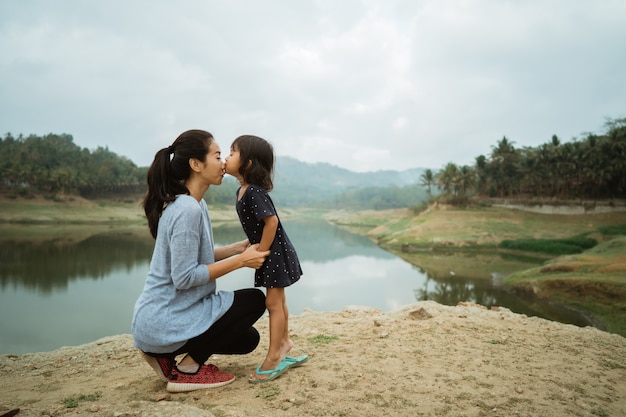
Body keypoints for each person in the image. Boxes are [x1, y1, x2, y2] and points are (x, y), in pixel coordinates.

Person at [132, 129, 270, 393]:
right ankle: (187, 369)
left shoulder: (194, 204)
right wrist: (242, 261)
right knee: (254, 300)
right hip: (164, 319)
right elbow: (184, 278)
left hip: (164, 320)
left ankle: (163, 357)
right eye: (217, 155)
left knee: (247, 339)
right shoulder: (186, 210)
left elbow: (197, 258)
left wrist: (235, 249)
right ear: (196, 164)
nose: (223, 163)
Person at [225, 134, 308, 383]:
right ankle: (284, 342)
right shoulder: (242, 191)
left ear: (248, 163)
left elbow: (271, 221)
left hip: (273, 252)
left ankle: (275, 355)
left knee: (273, 304)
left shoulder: (253, 192)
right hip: (272, 251)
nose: (226, 158)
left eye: (232, 152)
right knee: (279, 301)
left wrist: (261, 250)